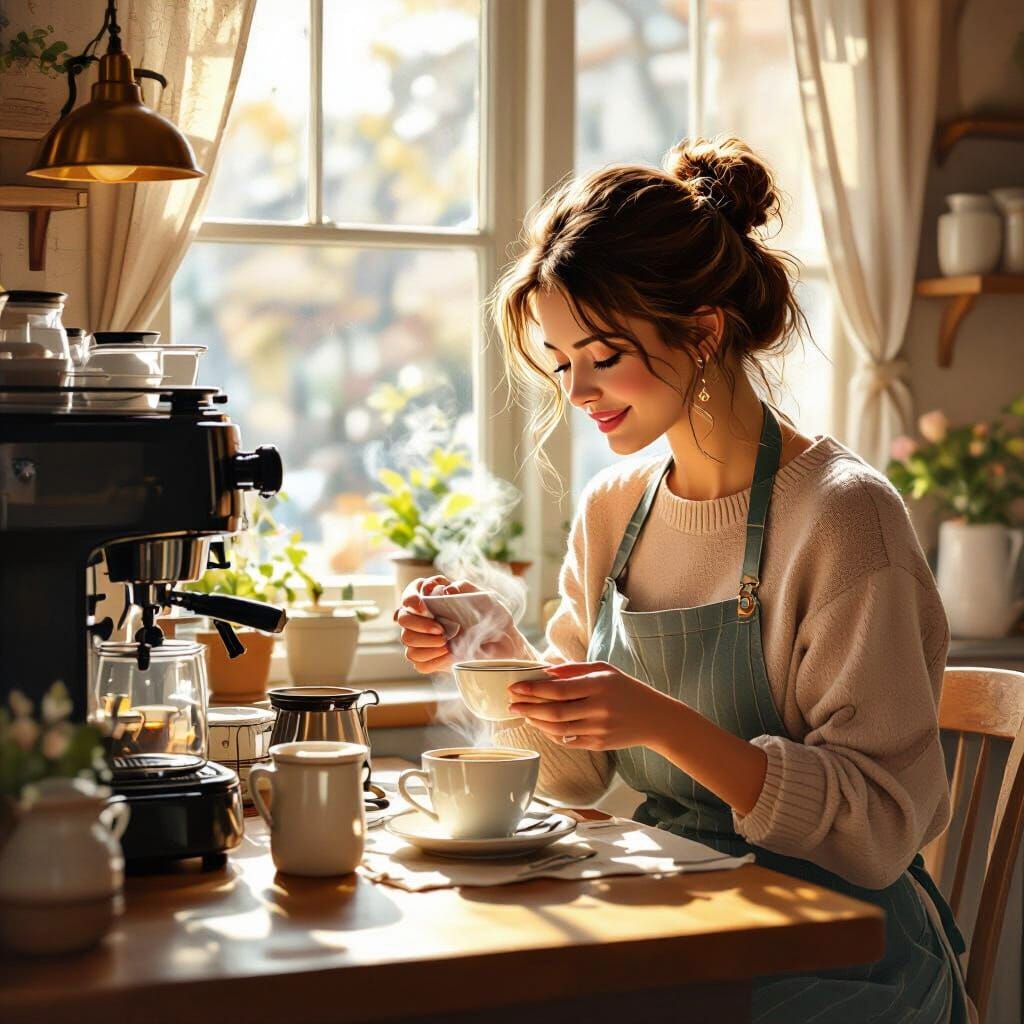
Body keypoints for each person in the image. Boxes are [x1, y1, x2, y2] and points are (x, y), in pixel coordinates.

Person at [395, 136, 971, 1023]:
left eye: (604, 352)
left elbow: (879, 831)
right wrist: (503, 661)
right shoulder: (615, 504)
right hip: (680, 918)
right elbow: (574, 779)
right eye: (560, 360)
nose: (579, 390)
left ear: (701, 331)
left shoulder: (844, 518)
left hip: (837, 954)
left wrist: (663, 722)